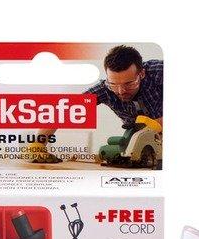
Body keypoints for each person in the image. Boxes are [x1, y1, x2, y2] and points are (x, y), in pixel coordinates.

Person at [34, 45, 163, 163]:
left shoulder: (159, 71)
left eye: (129, 84)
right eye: (113, 84)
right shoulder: (104, 90)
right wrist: (38, 144)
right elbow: (66, 109)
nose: (121, 91)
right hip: (141, 142)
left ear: (142, 74)